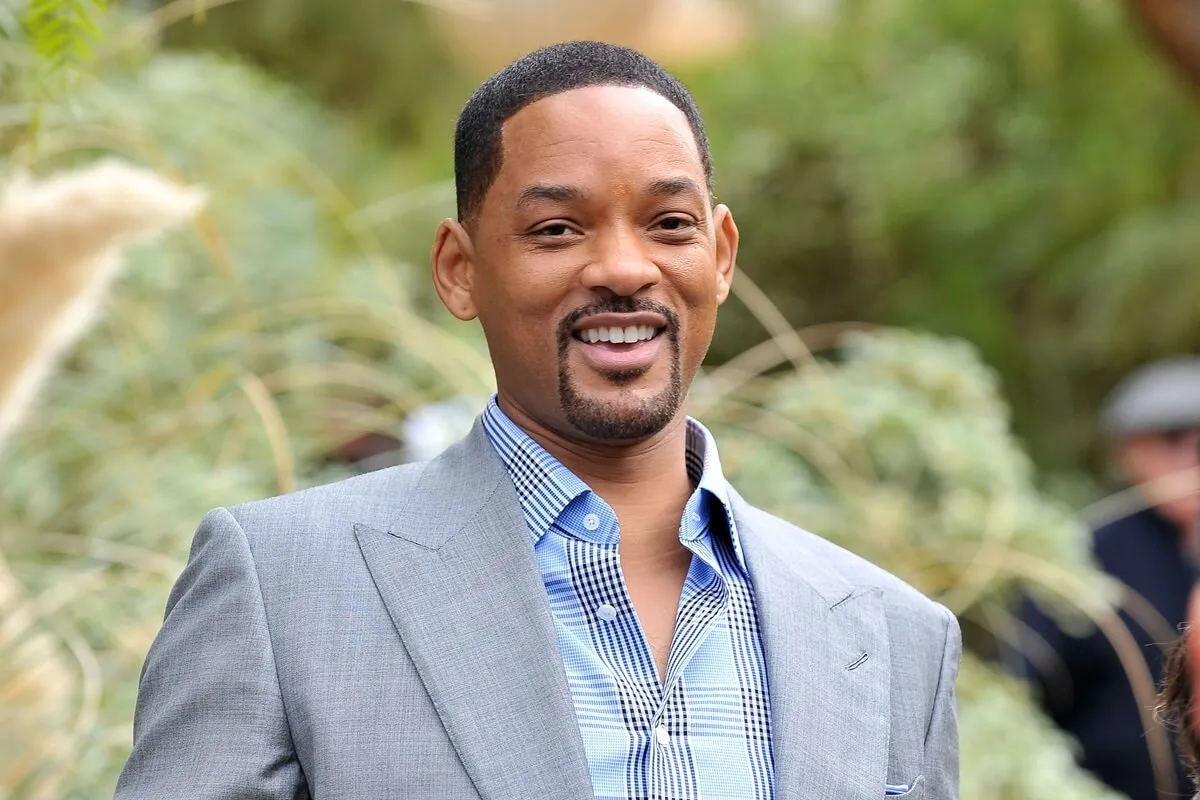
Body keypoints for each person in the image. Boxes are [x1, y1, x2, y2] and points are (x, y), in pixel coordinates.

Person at [115, 41, 961, 799]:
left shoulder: (894, 635)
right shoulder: (282, 586)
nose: (625, 269)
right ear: (459, 269)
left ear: (722, 253)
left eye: (669, 224)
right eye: (556, 229)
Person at [1013, 357, 1200, 800]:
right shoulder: (1080, 553)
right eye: (1174, 437)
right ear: (1127, 451)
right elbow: (1028, 692)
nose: (1194, 455)